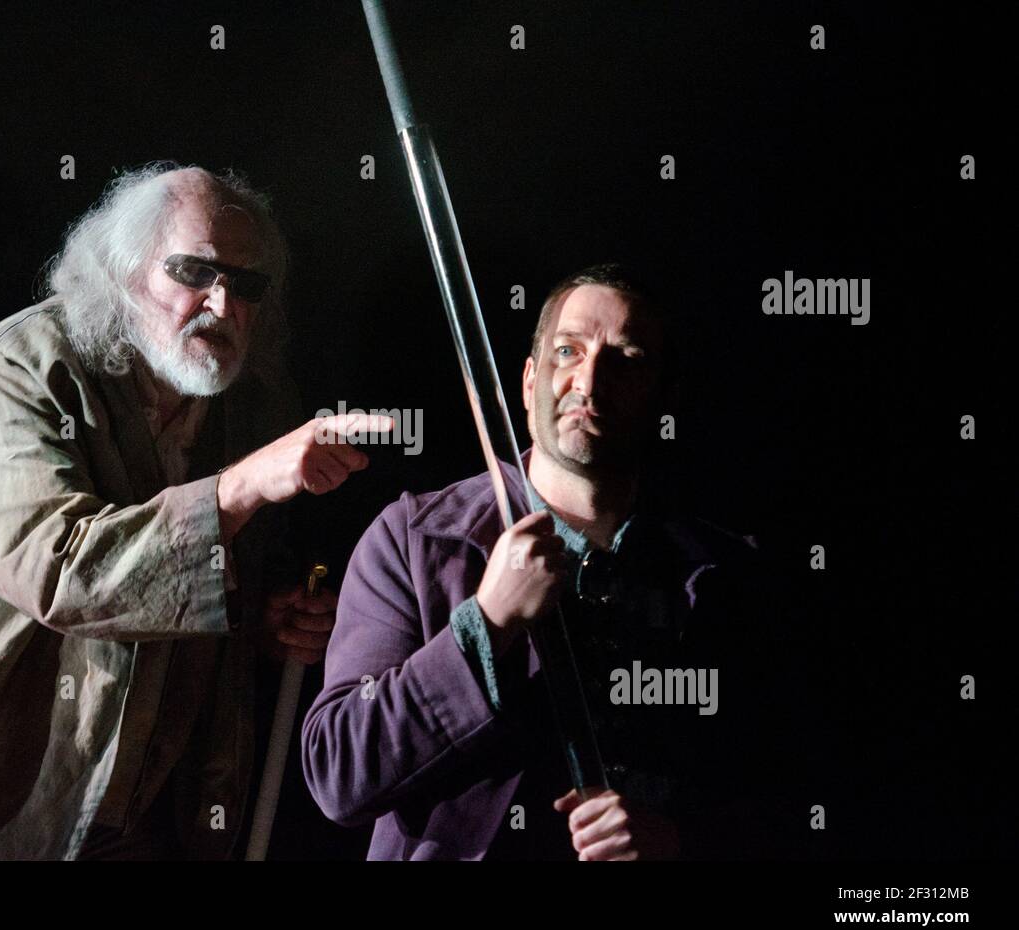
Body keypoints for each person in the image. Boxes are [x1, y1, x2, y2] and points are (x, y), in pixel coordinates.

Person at [0, 162, 387, 859]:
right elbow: (61, 569)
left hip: (116, 818)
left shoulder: (250, 407)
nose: (223, 304)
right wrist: (240, 488)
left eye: (246, 283)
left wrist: (268, 615)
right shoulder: (25, 366)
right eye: (193, 272)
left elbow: (209, 582)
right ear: (125, 273)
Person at [302, 264, 792, 860]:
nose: (589, 380)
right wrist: (485, 623)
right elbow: (339, 772)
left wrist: (678, 843)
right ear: (530, 376)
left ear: (666, 396)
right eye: (567, 351)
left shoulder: (725, 575)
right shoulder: (415, 538)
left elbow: (794, 805)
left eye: (626, 359)